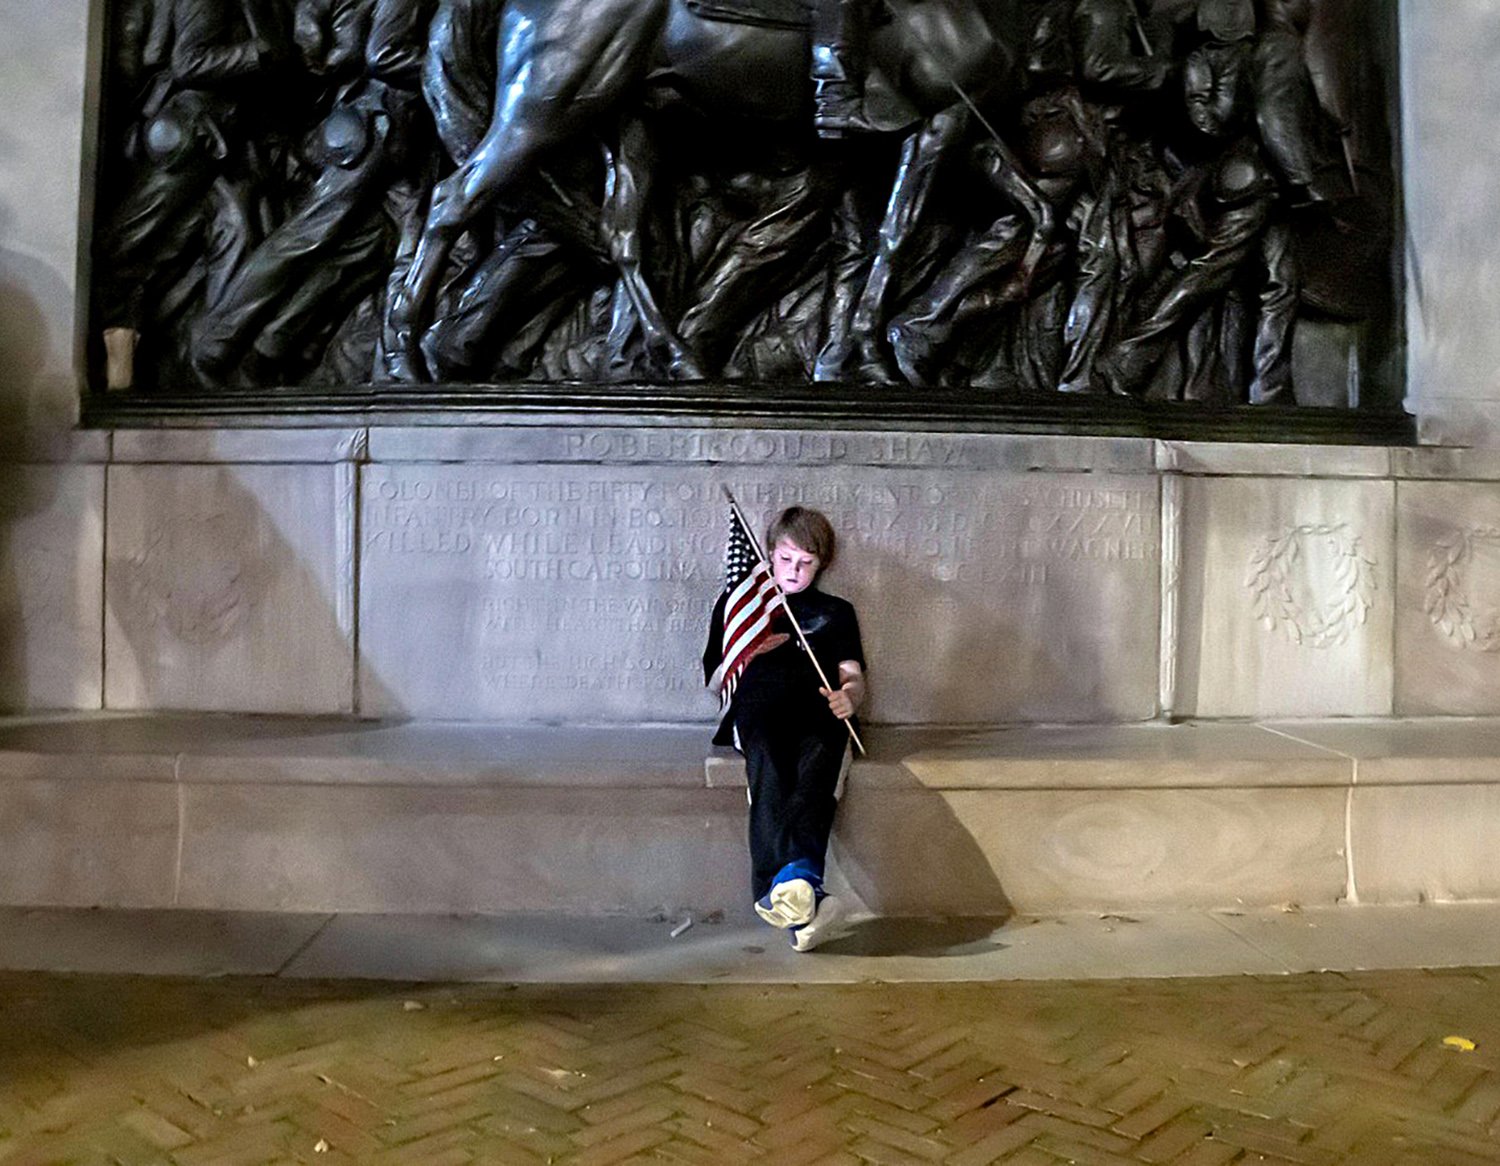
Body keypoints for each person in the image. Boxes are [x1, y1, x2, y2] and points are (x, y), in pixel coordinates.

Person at [703, 506, 867, 952]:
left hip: (817, 712)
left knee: (816, 773)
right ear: (770, 556)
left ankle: (795, 894)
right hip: (759, 713)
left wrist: (848, 697)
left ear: (822, 563)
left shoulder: (836, 612)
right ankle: (799, 882)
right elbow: (715, 682)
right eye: (786, 560)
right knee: (771, 774)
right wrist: (751, 652)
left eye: (806, 563)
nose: (794, 572)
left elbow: (851, 674)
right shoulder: (743, 606)